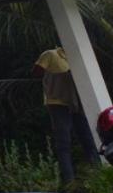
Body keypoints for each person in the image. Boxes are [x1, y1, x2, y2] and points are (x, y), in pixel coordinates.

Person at [33, 47, 100, 185]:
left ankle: (99, 175)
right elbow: (36, 72)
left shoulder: (79, 58)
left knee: (88, 138)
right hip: (57, 102)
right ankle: (70, 182)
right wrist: (58, 76)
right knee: (64, 142)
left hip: (77, 102)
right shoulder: (50, 54)